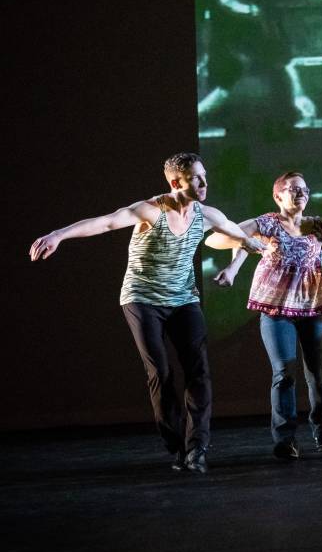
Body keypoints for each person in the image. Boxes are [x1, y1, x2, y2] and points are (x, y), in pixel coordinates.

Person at [29, 152, 265, 473]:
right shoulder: (150, 210)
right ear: (175, 182)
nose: (204, 183)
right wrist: (58, 235)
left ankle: (197, 447)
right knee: (161, 372)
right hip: (142, 299)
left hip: (183, 299)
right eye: (196, 178)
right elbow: (107, 222)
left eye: (204, 175)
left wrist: (246, 253)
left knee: (198, 371)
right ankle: (177, 445)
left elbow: (240, 235)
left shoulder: (206, 215)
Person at [212, 172, 322, 458]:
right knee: (284, 373)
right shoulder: (269, 222)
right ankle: (285, 439)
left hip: (313, 307)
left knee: (319, 377)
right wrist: (234, 267)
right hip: (276, 309)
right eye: (293, 189)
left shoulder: (317, 225)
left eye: (305, 190)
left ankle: (321, 430)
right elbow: (227, 237)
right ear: (278, 196)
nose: (301, 194)